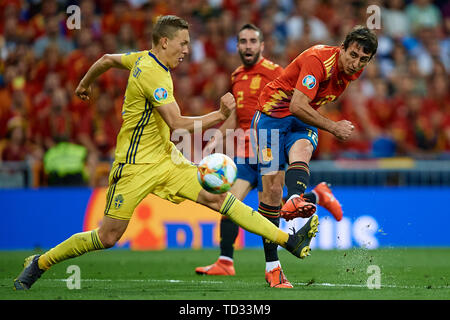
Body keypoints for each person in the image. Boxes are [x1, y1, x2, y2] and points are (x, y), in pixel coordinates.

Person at [13, 15, 319, 291]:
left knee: (219, 198)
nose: (186, 50)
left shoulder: (142, 59)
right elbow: (176, 123)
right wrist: (220, 114)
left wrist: (84, 84)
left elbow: (107, 59)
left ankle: (289, 240)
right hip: (133, 168)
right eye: (183, 43)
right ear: (164, 42)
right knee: (107, 237)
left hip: (166, 160)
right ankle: (40, 263)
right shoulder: (152, 74)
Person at [194, 24, 343, 288]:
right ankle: (225, 261)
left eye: (253, 41)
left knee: (272, 203)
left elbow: (292, 105)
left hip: (269, 145)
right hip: (243, 155)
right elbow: (236, 116)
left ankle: (274, 264)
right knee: (226, 203)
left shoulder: (275, 72)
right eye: (243, 41)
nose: (248, 46)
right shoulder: (237, 75)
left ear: (262, 46)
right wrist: (216, 139)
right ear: (237, 46)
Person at [252, 25, 377, 223]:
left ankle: (295, 198)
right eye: (353, 55)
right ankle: (316, 196)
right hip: (272, 116)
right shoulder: (318, 60)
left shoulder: (354, 71)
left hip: (302, 117)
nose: (356, 63)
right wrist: (334, 127)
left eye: (363, 60)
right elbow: (297, 105)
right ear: (342, 47)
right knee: (272, 194)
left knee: (304, 148)